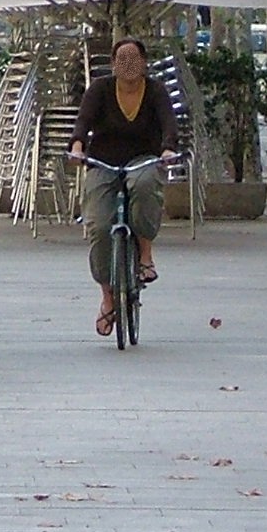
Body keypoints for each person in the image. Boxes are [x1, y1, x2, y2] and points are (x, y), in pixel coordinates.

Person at [68, 38, 179, 339]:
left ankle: (145, 255)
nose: (128, 66)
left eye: (134, 59)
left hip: (142, 158)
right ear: (114, 64)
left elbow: (169, 124)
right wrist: (78, 146)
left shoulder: (156, 91)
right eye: (122, 60)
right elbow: (83, 122)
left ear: (144, 63)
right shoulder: (100, 89)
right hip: (102, 161)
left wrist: (167, 149)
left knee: (145, 186)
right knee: (100, 226)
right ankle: (107, 296)